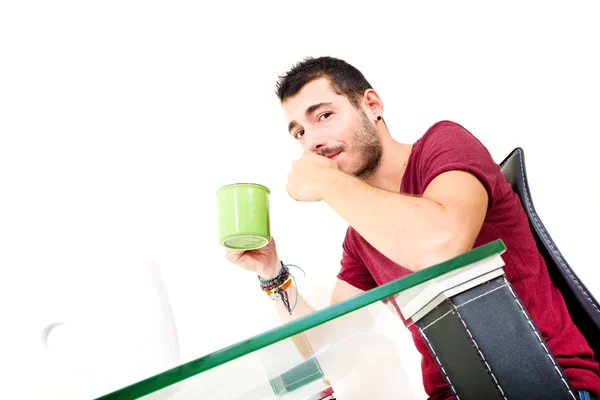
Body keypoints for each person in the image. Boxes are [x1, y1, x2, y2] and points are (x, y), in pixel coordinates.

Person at [225, 56, 600, 400]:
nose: (313, 143)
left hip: (543, 385)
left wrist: (327, 183)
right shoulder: (361, 238)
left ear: (372, 105)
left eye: (323, 116)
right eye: (299, 133)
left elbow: (442, 243)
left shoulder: (444, 144)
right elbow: (332, 354)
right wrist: (272, 273)